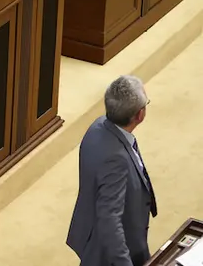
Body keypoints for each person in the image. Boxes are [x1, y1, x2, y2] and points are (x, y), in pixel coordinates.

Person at [66, 75, 158, 266]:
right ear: (140, 115)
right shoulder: (117, 160)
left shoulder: (98, 125)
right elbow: (109, 219)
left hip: (90, 229)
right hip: (107, 252)